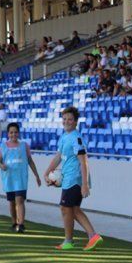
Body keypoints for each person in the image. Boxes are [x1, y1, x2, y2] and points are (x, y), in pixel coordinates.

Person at [42, 107, 104, 251]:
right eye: (64, 119)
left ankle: (79, 238)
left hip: (74, 179)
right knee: (73, 209)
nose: (66, 122)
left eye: (70, 119)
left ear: (76, 122)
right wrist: (46, 172)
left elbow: (84, 161)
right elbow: (59, 156)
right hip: (68, 178)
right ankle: (85, 238)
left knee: (66, 208)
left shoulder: (76, 138)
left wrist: (85, 184)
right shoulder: (64, 136)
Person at [0, 122, 42, 233]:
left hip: (21, 178)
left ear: (19, 133)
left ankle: (21, 224)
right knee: (12, 202)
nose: (13, 134)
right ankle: (14, 222)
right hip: (9, 178)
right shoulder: (3, 146)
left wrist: (37, 175)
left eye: (16, 132)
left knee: (20, 200)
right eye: (11, 132)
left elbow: (30, 161)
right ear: (8, 134)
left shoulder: (24, 145)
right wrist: (1, 165)